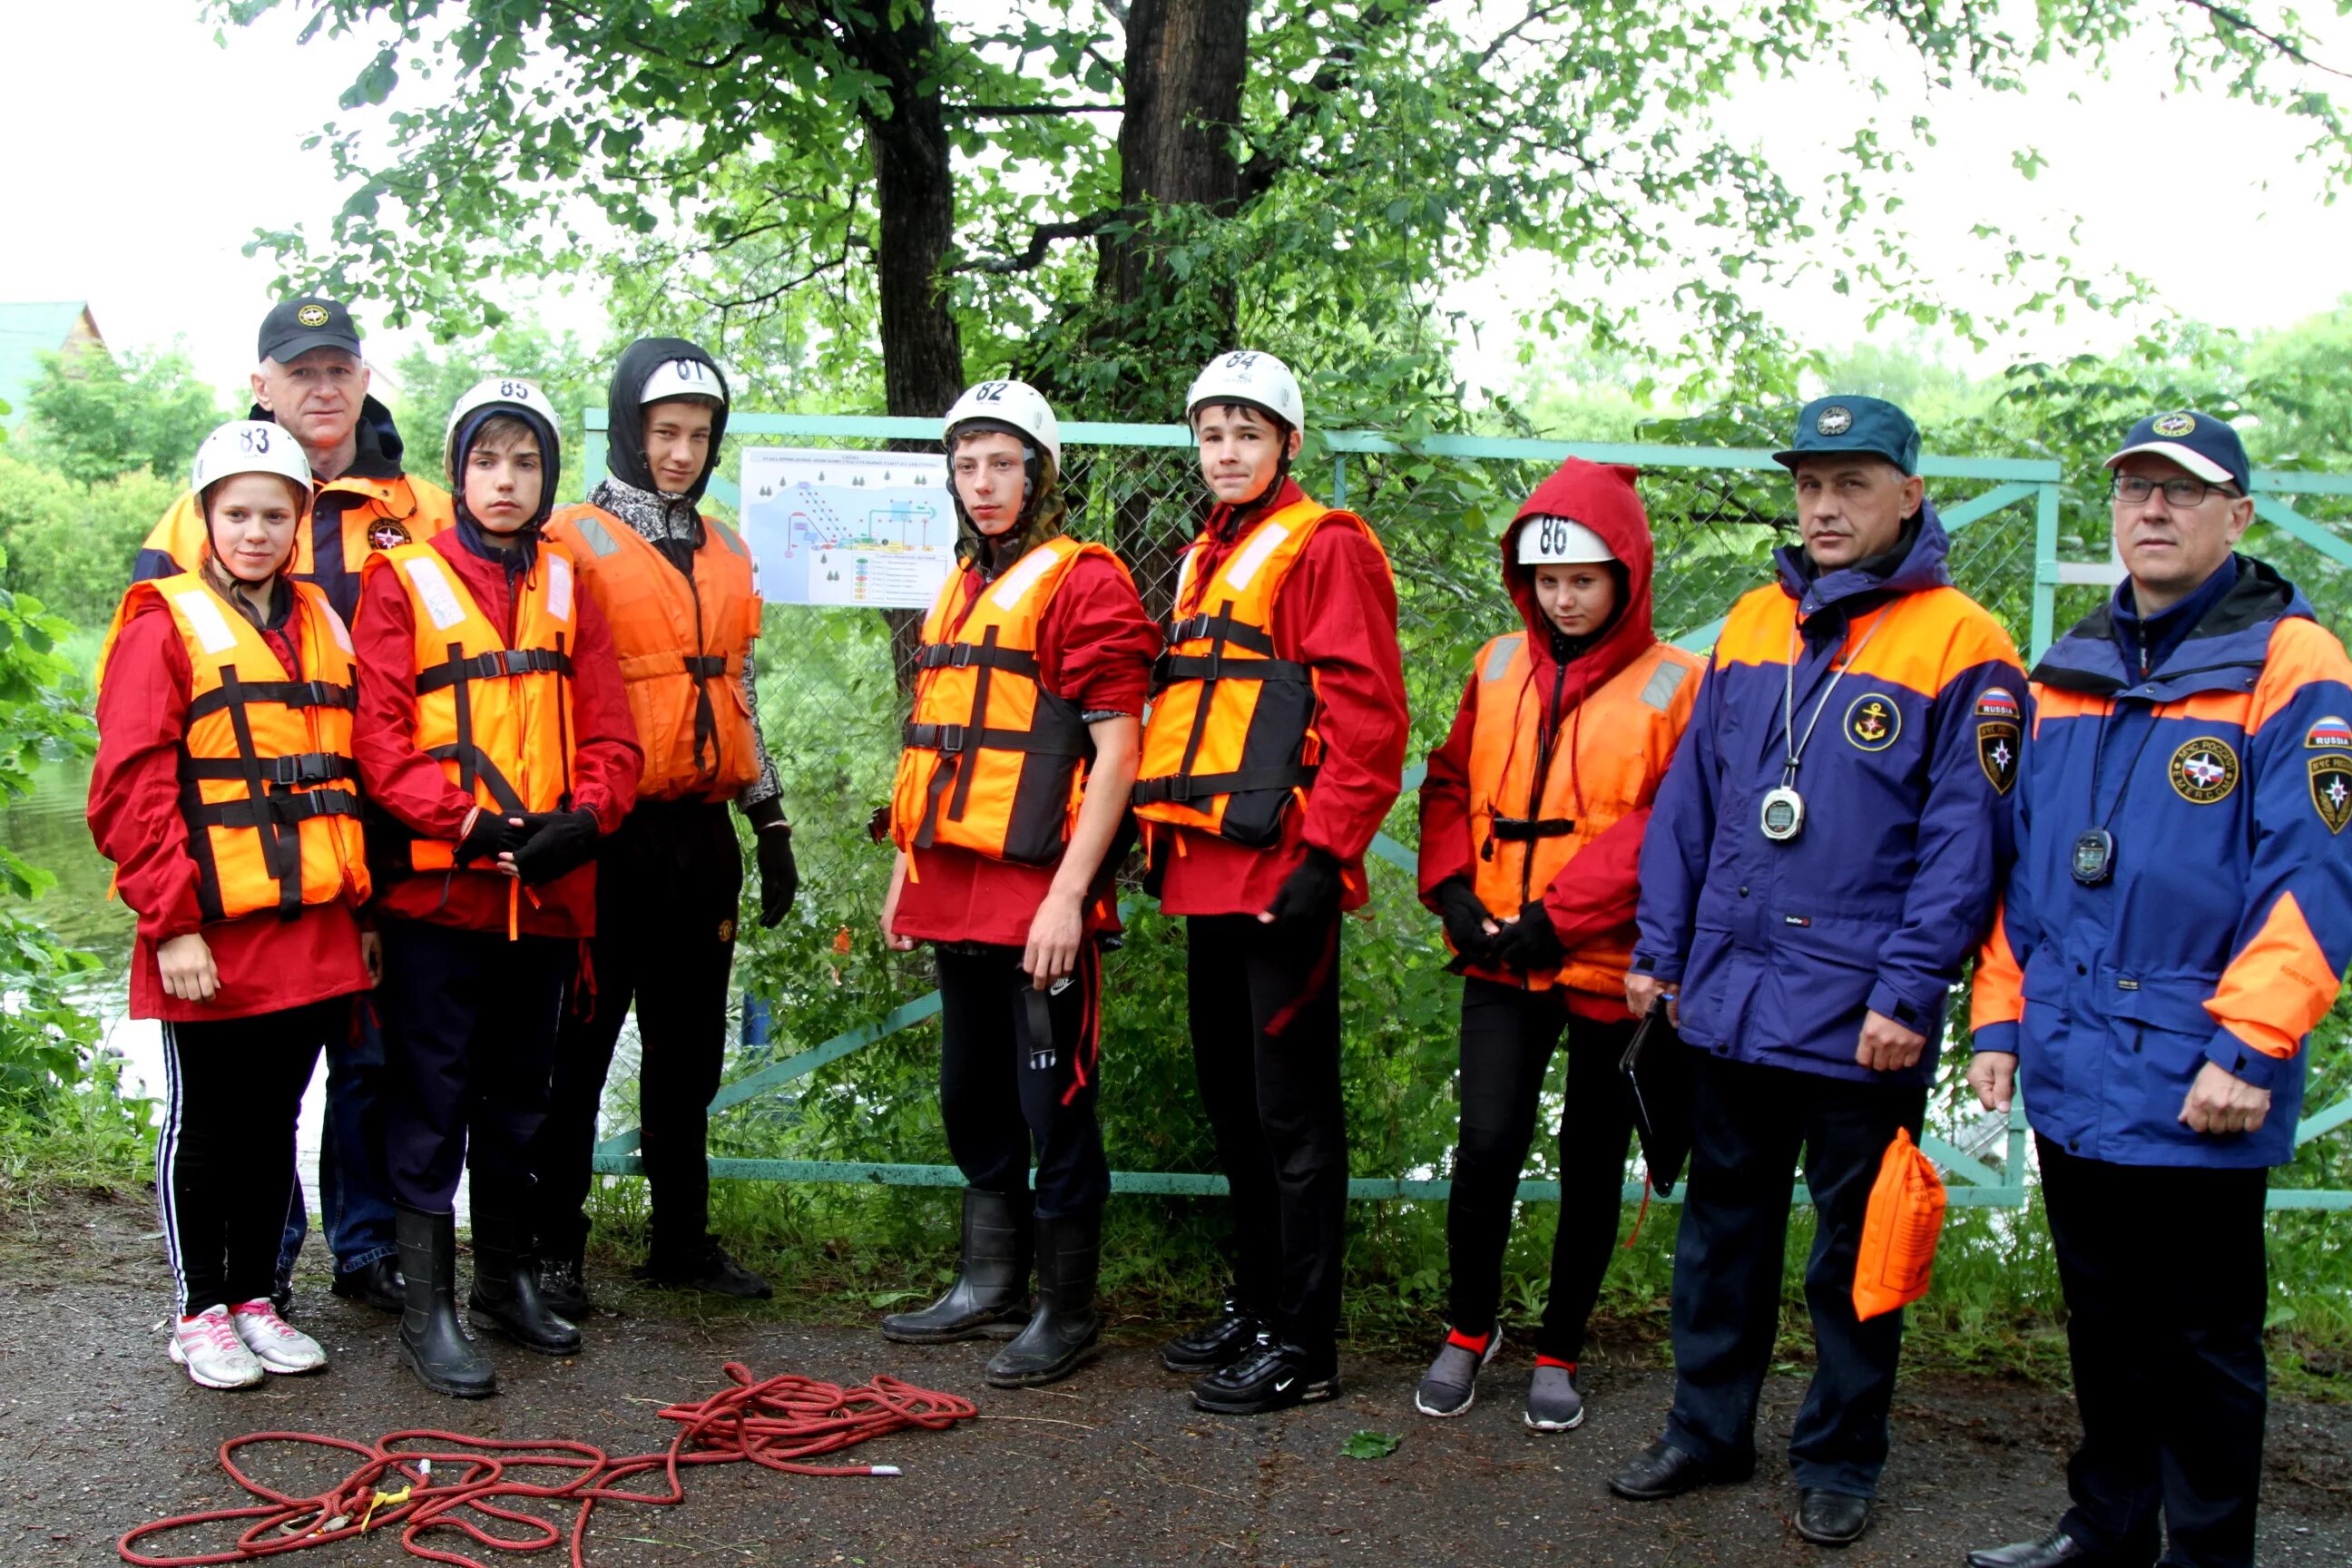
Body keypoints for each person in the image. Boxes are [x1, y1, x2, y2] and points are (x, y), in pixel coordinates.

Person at [1613, 397, 2024, 1545]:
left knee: (1858, 1251)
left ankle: (1840, 1457)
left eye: (1852, 484)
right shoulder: (1751, 622)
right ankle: (1705, 1430)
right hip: (1731, 994)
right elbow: (1690, 800)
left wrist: (1910, 992)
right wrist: (1661, 952)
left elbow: (1967, 843)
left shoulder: (1966, 644)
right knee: (1721, 1232)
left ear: (1910, 494)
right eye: (1809, 485)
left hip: (1861, 1015)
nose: (1826, 506)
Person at [1965, 412, 2352, 1568]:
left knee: (2204, 1340)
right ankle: (2109, 1526)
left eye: (2183, 494)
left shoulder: (2296, 664)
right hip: (2075, 1058)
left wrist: (2253, 1044)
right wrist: (2000, 1015)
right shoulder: (2071, 664)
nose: (2153, 511)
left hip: (2199, 1064)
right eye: (2135, 490)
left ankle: (2208, 1555)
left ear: (2237, 514)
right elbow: (2024, 863)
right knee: (2107, 1325)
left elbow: (2317, 870)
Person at [134, 296, 455, 1317]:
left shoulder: (421, 508)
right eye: (299, 371)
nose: (322, 388)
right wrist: (170, 899)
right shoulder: (187, 530)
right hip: (230, 853)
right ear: (261, 384)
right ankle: (240, 1279)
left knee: (364, 1056)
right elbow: (146, 733)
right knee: (233, 1095)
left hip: (370, 832)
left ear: (364, 378)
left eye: (338, 369)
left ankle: (361, 1252)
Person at [350, 377, 640, 1397]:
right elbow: (379, 744)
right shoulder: (404, 582)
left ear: (548, 477)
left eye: (524, 463)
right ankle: (425, 1311)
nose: (505, 481)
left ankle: (504, 1284)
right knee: (430, 1095)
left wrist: (588, 819)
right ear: (459, 471)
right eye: (485, 461)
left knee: (523, 1095)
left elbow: (611, 733)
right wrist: (466, 825)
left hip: (550, 891)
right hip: (443, 894)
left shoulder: (573, 585)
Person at [1132, 349, 1408, 1415]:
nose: (1227, 452)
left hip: (1282, 872)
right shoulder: (1211, 551)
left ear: (1287, 444)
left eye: (1248, 433)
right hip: (1206, 869)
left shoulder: (1323, 546)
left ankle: (1307, 1343)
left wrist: (1328, 855)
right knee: (1236, 1109)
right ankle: (1257, 1305)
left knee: (1294, 1118)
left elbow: (1370, 720)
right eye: (1212, 435)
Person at [875, 378, 1157, 1387]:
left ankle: (1064, 1310)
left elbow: (1117, 754)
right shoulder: (959, 579)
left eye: (1002, 463)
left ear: (1038, 473)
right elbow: (937, 745)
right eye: (967, 464)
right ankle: (988, 1282)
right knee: (969, 1097)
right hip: (952, 886)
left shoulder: (1084, 582)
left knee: (1056, 1106)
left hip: (1041, 893)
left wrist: (1070, 898)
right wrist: (907, 872)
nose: (982, 483)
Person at [1413, 458, 1703, 1430]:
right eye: (1548, 580)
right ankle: (1466, 1329)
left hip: (1610, 967)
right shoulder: (1497, 664)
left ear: (1626, 577)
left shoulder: (1676, 685)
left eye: (1584, 579)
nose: (1565, 598)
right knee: (1486, 1144)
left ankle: (1560, 1347)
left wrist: (1562, 913)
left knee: (1591, 1157)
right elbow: (1448, 781)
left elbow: (1669, 822)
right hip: (1498, 951)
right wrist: (1451, 889)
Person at [90, 420, 375, 1388]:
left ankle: (257, 1295)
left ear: (300, 521)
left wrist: (364, 917)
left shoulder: (322, 625)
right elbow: (129, 788)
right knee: (206, 1121)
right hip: (205, 931)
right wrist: (170, 921)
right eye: (236, 512)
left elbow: (349, 777)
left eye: (274, 514)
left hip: (312, 929)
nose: (255, 532)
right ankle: (197, 1309)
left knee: (276, 1119)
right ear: (206, 517)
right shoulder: (160, 625)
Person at [533, 340, 797, 1308]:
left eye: (698, 435)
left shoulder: (726, 546)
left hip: (700, 836)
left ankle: (680, 1240)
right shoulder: (567, 539)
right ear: (630, 431)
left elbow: (741, 688)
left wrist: (769, 821)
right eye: (665, 433)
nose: (682, 452)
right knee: (580, 1048)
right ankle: (551, 1246)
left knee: (688, 1055)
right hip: (605, 833)